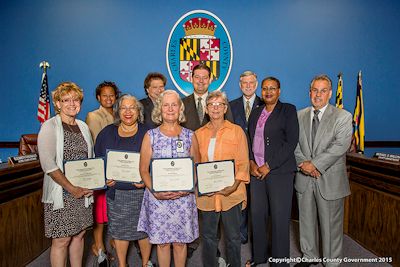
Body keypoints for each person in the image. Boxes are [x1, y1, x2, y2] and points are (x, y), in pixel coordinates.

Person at [294, 74, 352, 267]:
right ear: (309, 92)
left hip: (329, 180)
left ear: (330, 94)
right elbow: (293, 145)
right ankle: (309, 256)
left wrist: (315, 165)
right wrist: (304, 164)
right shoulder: (299, 115)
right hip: (304, 178)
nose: (318, 95)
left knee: (330, 226)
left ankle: (331, 262)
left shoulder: (343, 117)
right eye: (315, 90)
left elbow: (340, 146)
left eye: (323, 90)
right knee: (306, 221)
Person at [137, 90, 200, 267]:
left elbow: (197, 168)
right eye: (166, 105)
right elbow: (143, 170)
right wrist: (155, 192)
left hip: (184, 198)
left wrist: (187, 188)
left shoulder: (190, 135)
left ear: (180, 108)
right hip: (158, 200)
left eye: (174, 104)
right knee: (162, 243)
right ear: (159, 108)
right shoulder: (151, 136)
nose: (170, 108)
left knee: (180, 243)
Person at [37, 82, 94, 267]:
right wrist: (72, 189)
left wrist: (92, 184)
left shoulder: (83, 126)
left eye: (75, 99)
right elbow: (48, 164)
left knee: (79, 235)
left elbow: (90, 160)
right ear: (58, 103)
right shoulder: (50, 126)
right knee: (62, 240)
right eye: (66, 100)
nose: (71, 103)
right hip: (61, 193)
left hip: (82, 193)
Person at [95, 94, 153, 267]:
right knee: (120, 231)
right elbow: (98, 161)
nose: (128, 112)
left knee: (144, 231)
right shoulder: (106, 133)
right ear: (118, 111)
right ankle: (122, 264)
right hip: (116, 194)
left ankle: (145, 263)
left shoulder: (148, 133)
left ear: (139, 111)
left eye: (132, 108)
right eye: (123, 108)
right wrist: (104, 179)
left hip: (142, 193)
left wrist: (147, 180)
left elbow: (156, 162)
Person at [247, 77, 299, 266]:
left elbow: (290, 143)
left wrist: (268, 166)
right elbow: (249, 138)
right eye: (265, 88)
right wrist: (252, 163)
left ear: (279, 91)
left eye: (272, 88)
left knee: (279, 218)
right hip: (256, 173)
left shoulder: (288, 110)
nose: (268, 91)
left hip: (279, 173)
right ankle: (259, 257)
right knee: (258, 216)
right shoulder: (256, 112)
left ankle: (279, 262)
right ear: (261, 91)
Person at [196, 91, 250, 267]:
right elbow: (195, 164)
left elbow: (243, 163)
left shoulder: (237, 131)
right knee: (209, 237)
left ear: (225, 108)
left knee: (233, 237)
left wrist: (233, 186)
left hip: (231, 193)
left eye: (220, 104)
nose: (216, 108)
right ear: (206, 109)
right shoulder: (198, 134)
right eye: (211, 104)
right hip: (208, 195)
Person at [85, 81, 120, 263]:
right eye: (104, 95)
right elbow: (96, 145)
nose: (108, 98)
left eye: (112, 95)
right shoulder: (93, 116)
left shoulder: (119, 114)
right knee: (99, 212)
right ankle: (98, 246)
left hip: (118, 168)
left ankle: (114, 242)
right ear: (98, 97)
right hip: (102, 168)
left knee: (113, 209)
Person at [229, 70, 263, 245]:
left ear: (256, 85)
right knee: (240, 199)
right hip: (238, 161)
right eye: (244, 83)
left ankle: (258, 237)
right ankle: (241, 235)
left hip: (260, 163)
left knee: (258, 204)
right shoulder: (230, 106)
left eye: (251, 83)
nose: (248, 86)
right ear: (240, 85)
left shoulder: (266, 104)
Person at [182, 63, 234, 131]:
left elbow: (229, 127)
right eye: (197, 77)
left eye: (205, 78)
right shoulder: (182, 103)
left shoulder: (222, 101)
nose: (201, 81)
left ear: (210, 80)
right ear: (192, 79)